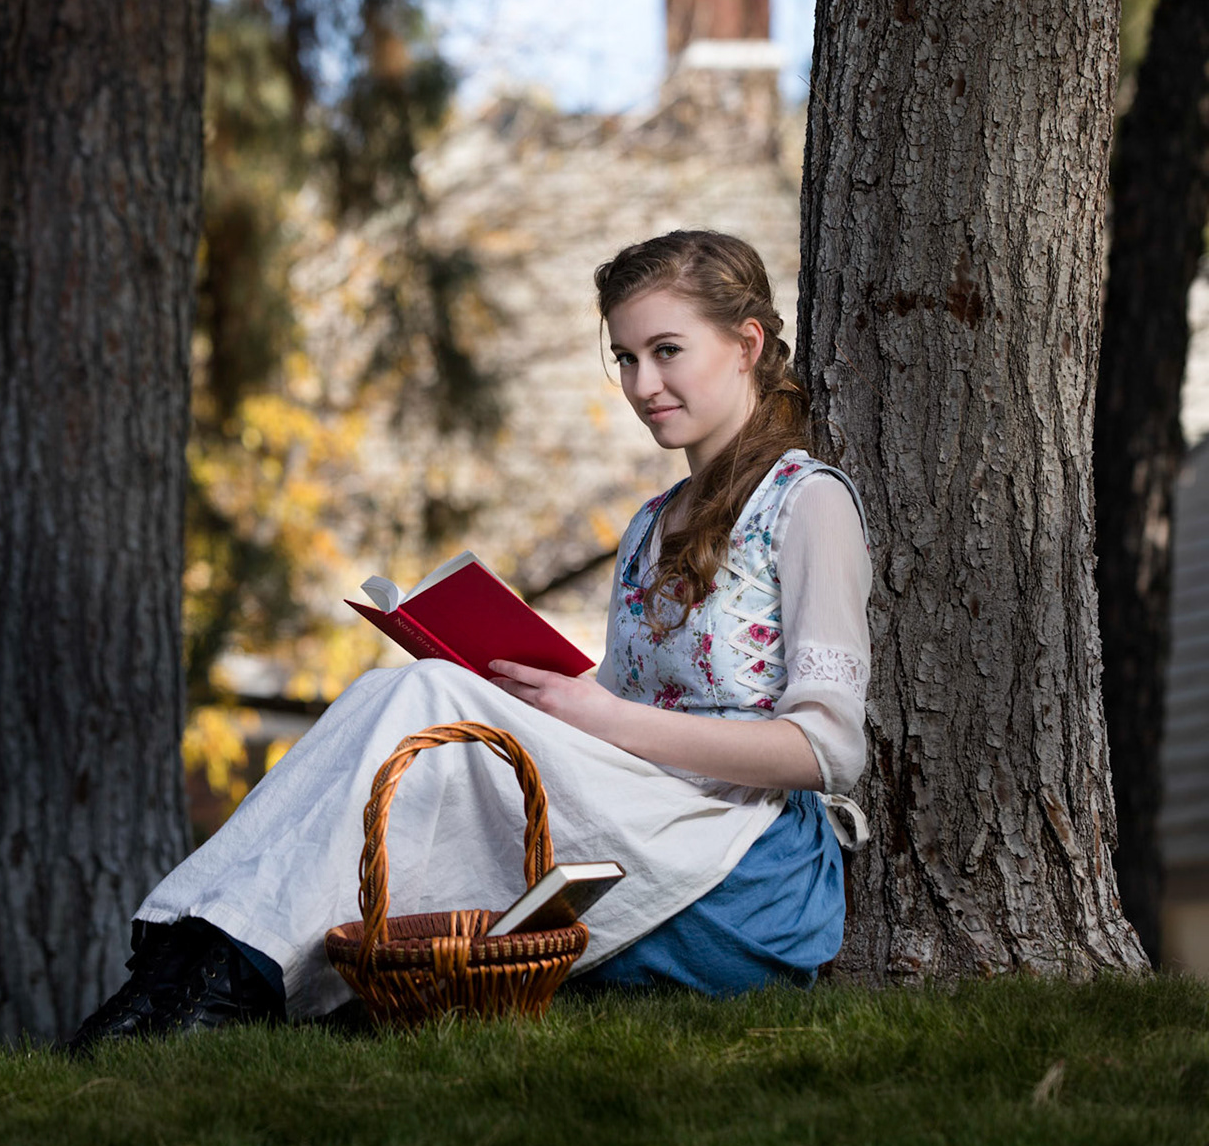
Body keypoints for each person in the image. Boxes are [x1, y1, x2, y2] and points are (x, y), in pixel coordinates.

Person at [67, 229, 872, 1049]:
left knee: (426, 701)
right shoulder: (649, 526)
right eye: (626, 358)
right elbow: (624, 715)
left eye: (667, 351)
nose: (643, 384)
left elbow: (829, 749)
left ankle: (221, 978)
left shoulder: (808, 504)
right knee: (398, 690)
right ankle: (184, 970)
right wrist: (534, 691)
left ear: (747, 345)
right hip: (648, 823)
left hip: (749, 871)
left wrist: (596, 718)